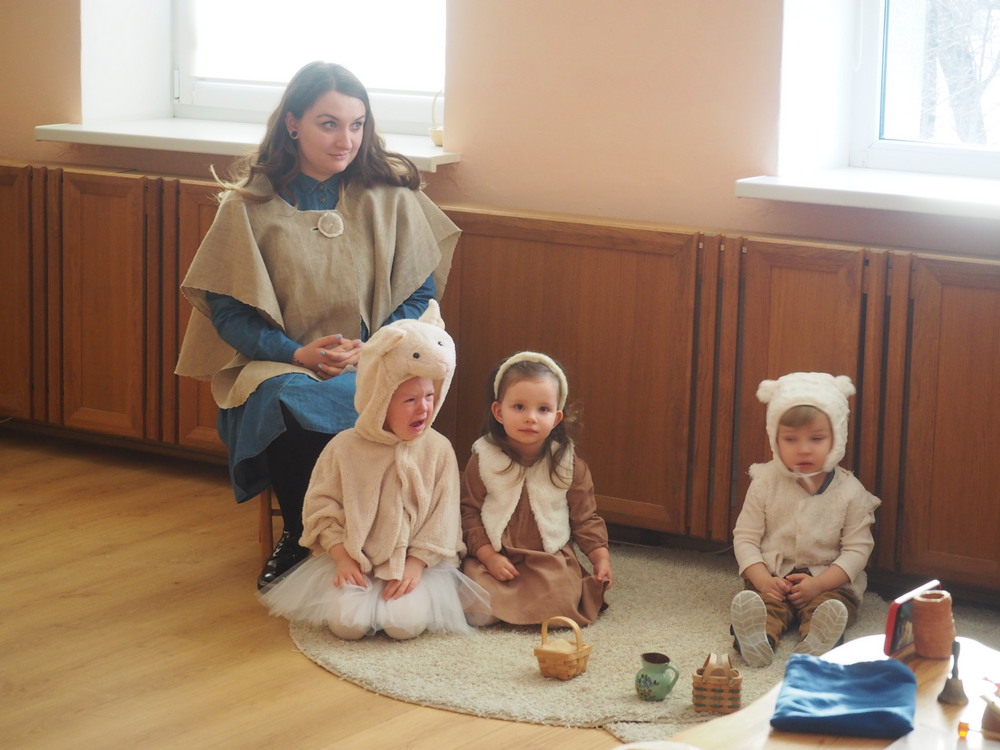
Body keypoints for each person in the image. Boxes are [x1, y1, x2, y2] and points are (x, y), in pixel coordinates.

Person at [174, 62, 460, 588]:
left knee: (386, 393)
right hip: (281, 363)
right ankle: (305, 532)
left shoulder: (391, 196)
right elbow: (229, 311)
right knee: (285, 399)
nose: (345, 139)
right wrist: (296, 353)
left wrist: (375, 347)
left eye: (357, 124)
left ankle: (385, 532)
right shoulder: (248, 205)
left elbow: (419, 293)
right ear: (293, 123)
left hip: (380, 357)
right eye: (329, 124)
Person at [258, 302, 490, 639]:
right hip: (355, 560)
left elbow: (443, 518)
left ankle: (408, 592)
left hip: (414, 563)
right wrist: (342, 557)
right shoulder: (344, 447)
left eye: (429, 396)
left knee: (404, 626)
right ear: (380, 399)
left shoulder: (438, 449)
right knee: (347, 625)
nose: (424, 408)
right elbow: (321, 507)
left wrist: (416, 565)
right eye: (410, 400)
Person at [730, 372, 881, 667]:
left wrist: (820, 584)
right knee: (765, 605)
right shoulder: (764, 482)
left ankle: (818, 639)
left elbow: (857, 550)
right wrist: (762, 579)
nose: (803, 449)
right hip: (774, 576)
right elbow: (745, 537)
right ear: (775, 439)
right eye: (790, 439)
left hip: (829, 579)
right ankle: (756, 637)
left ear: (837, 438)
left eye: (816, 438)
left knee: (831, 605)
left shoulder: (851, 492)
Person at [459, 351, 613, 626]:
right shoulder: (483, 458)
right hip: (497, 555)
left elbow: (585, 518)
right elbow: (468, 513)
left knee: (562, 599)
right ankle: (497, 602)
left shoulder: (568, 463)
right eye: (519, 407)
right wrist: (489, 557)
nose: (531, 417)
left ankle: (530, 606)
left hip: (547, 558)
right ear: (499, 412)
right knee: (474, 597)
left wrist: (600, 558)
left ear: (556, 417)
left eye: (543, 410)